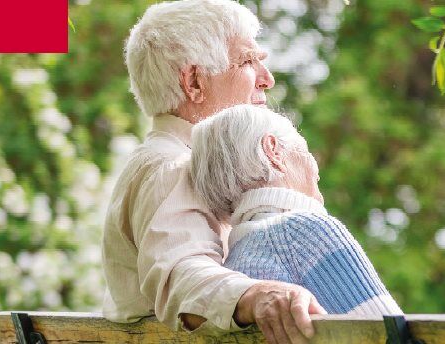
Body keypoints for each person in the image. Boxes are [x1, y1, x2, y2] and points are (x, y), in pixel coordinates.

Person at [101, 1, 324, 343]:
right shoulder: (172, 165)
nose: (267, 79)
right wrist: (257, 296)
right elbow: (182, 273)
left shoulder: (182, 162)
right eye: (248, 61)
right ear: (194, 83)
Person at [190, 105, 403, 315]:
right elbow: (391, 332)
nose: (315, 166)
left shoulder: (233, 263)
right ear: (273, 152)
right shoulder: (304, 232)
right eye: (305, 149)